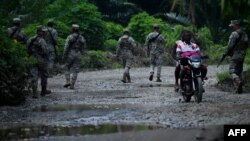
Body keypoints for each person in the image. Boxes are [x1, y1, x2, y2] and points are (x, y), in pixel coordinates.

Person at [27, 25, 51, 98]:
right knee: (44, 75)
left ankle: (34, 93)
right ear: (40, 32)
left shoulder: (30, 39)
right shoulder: (42, 40)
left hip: (32, 59)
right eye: (43, 31)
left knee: (34, 76)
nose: (45, 33)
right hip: (41, 60)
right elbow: (45, 51)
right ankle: (43, 91)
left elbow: (27, 49)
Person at [226, 20, 249, 94]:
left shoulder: (234, 34)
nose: (231, 28)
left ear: (236, 25)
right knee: (239, 71)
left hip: (235, 54)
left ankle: (238, 81)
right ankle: (239, 89)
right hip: (242, 54)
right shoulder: (244, 33)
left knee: (231, 70)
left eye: (232, 26)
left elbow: (230, 46)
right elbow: (246, 43)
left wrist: (228, 52)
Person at [62, 24, 86, 89]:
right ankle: (72, 84)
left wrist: (64, 56)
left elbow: (66, 47)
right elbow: (84, 47)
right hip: (78, 54)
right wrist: (83, 54)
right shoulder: (81, 37)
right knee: (76, 69)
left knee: (66, 67)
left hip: (70, 53)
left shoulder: (70, 37)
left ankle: (67, 81)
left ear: (72, 29)